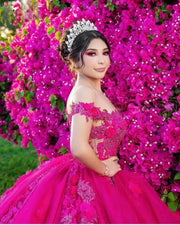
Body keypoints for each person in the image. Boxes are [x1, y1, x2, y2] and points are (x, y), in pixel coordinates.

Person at [0, 19, 179, 224]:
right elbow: (78, 147)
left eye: (105, 53)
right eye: (92, 54)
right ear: (74, 59)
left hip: (103, 176)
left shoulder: (94, 90)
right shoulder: (84, 92)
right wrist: (106, 170)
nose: (102, 60)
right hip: (94, 178)